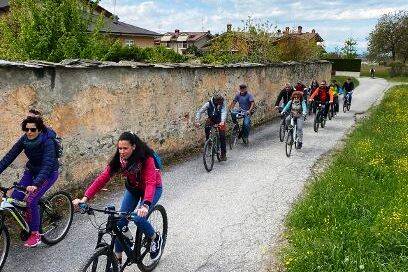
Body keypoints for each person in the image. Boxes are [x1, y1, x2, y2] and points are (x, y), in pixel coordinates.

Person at [72, 132, 163, 263]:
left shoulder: (146, 158)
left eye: (125, 148)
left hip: (153, 189)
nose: (121, 151)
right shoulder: (119, 160)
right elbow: (102, 178)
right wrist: (85, 198)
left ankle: (155, 238)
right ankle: (118, 261)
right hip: (133, 189)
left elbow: (150, 183)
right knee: (119, 223)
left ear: (134, 147)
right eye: (119, 148)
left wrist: (145, 205)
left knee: (138, 217)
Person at [0, 116, 59, 247]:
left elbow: (48, 164)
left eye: (33, 129)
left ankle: (35, 233)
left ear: (39, 129)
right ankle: (29, 220)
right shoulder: (25, 139)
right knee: (15, 197)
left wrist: (36, 184)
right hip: (31, 171)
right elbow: (10, 156)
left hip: (48, 174)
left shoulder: (47, 140)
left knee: (31, 200)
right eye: (26, 129)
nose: (29, 132)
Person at [195, 94, 227, 161]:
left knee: (222, 136)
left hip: (220, 120)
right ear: (215, 101)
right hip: (211, 119)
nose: (220, 104)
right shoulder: (208, 104)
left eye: (221, 103)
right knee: (207, 128)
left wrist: (222, 121)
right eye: (218, 103)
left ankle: (223, 154)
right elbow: (199, 112)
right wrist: (197, 121)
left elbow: (224, 112)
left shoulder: (222, 102)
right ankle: (209, 143)